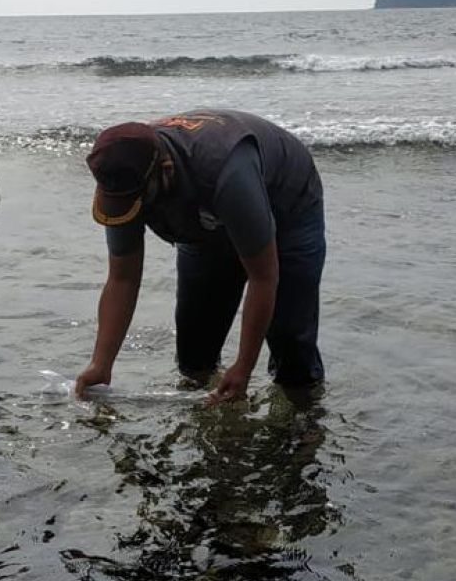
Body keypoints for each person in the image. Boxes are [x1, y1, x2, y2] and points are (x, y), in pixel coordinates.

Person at [76, 109, 325, 403]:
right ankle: (208, 425)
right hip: (203, 219)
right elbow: (122, 278)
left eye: (139, 203)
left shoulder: (226, 171)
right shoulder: (122, 178)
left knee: (290, 343)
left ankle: (303, 421)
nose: (133, 209)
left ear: (165, 170)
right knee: (195, 353)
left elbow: (264, 277)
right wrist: (101, 363)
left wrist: (243, 368)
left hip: (288, 206)